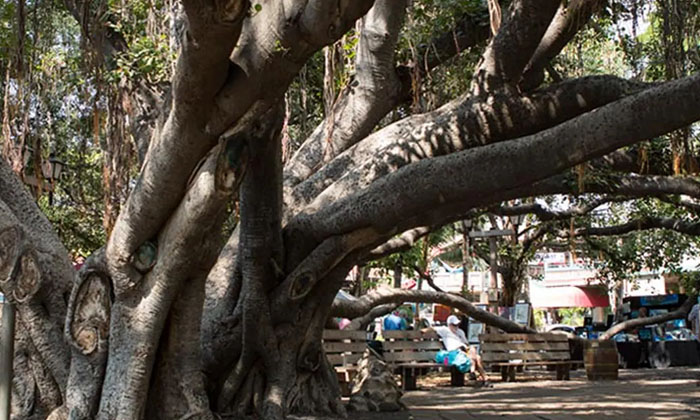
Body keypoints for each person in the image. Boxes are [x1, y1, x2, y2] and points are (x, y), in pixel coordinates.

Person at [428, 315, 490, 387]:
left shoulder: (460, 332)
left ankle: (474, 373)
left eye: (457, 325)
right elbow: (432, 328)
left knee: (474, 352)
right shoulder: (444, 330)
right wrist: (423, 330)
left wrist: (467, 348)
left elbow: (466, 343)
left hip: (464, 351)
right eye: (454, 325)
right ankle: (483, 378)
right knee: (477, 357)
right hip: (454, 353)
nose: (456, 327)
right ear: (449, 324)